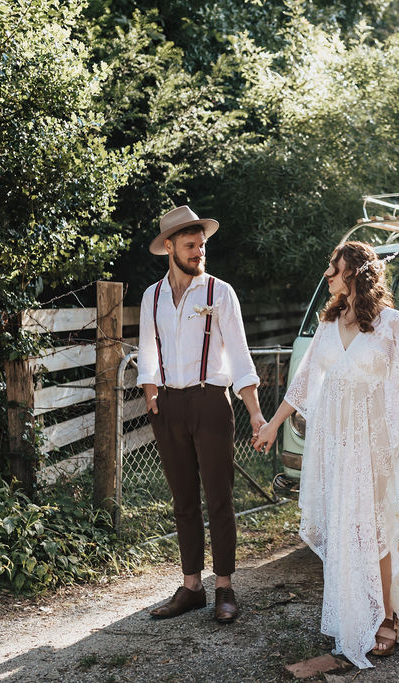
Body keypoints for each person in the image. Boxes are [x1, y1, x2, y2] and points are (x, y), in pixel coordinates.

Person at [253, 241, 399, 669]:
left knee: (377, 527)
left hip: (374, 442)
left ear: (355, 271)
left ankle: (385, 617)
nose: (328, 273)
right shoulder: (329, 323)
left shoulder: (392, 324)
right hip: (334, 443)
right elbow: (305, 379)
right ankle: (354, 616)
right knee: (345, 524)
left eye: (334, 266)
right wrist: (273, 424)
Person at [137, 205, 266, 623]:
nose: (198, 253)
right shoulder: (151, 296)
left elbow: (241, 356)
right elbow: (148, 349)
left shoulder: (220, 293)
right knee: (183, 501)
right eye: (190, 246)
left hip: (211, 402)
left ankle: (224, 587)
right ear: (169, 248)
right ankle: (191, 587)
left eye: (202, 246)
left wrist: (255, 412)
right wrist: (151, 389)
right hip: (169, 407)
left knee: (219, 498)